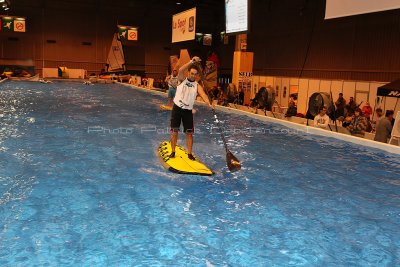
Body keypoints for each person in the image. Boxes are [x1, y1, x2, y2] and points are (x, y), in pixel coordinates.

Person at [169, 57, 213, 160]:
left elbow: (204, 96)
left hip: (187, 111)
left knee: (189, 133)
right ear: (188, 73)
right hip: (177, 109)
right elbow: (180, 70)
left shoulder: (197, 86)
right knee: (174, 131)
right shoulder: (181, 80)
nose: (193, 75)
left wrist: (209, 104)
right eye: (192, 73)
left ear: (197, 75)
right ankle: (173, 151)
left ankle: (189, 154)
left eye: (195, 74)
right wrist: (191, 62)